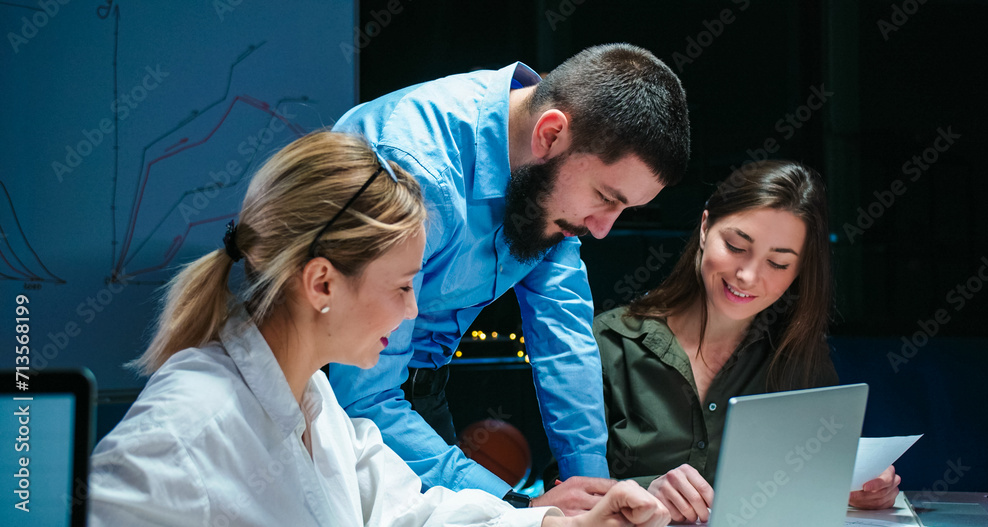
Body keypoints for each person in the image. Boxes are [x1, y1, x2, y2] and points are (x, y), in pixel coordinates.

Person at [87, 131, 671, 526]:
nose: (414, 311)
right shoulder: (179, 436)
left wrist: (559, 521)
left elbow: (414, 514)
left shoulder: (317, 405)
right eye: (401, 286)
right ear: (321, 283)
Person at [329, 42, 690, 511]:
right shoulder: (414, 168)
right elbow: (361, 396)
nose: (603, 229)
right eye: (606, 196)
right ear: (551, 134)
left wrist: (596, 497)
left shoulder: (552, 178)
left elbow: (564, 338)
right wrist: (516, 509)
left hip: (417, 393)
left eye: (626, 209)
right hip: (329, 394)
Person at [596, 160, 902, 524]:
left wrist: (859, 487)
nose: (747, 276)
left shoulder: (798, 354)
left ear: (800, 270)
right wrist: (643, 491)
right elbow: (563, 492)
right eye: (737, 246)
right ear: (706, 227)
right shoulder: (611, 342)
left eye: (778, 263)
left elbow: (818, 477)